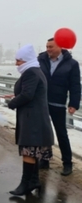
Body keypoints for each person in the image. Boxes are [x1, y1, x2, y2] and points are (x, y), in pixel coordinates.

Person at [7, 44, 54, 196]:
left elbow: (27, 95)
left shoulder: (31, 73)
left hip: (32, 120)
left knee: (28, 151)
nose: (16, 64)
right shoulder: (36, 71)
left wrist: (12, 103)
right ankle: (34, 181)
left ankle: (25, 183)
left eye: (18, 61)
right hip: (35, 119)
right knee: (32, 152)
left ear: (26, 60)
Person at [38, 38, 81, 176]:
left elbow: (75, 85)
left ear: (60, 47)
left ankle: (67, 164)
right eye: (47, 46)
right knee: (44, 132)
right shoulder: (41, 60)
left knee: (61, 133)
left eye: (51, 46)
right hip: (41, 102)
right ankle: (44, 160)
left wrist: (74, 103)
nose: (48, 49)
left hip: (58, 102)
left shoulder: (71, 64)